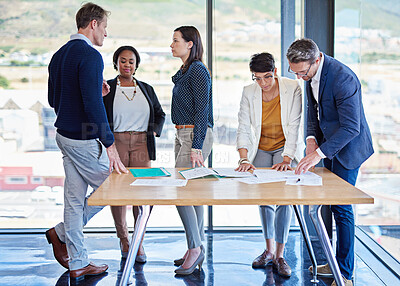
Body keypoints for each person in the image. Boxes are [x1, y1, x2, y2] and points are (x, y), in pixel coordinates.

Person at [46, 2, 128, 282]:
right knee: (114, 188)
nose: (105, 34)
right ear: (93, 24)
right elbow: (93, 107)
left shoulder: (58, 55)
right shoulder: (91, 56)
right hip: (83, 139)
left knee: (73, 199)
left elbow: (53, 100)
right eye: (104, 27)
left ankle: (78, 262)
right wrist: (110, 144)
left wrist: (94, 89)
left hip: (63, 136)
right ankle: (59, 232)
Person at [286, 38, 374, 286]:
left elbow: (351, 127)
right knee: (329, 205)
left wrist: (318, 154)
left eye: (303, 72)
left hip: (348, 149)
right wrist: (311, 140)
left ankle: (345, 273)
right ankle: (335, 261)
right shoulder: (307, 73)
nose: (300, 77)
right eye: (296, 73)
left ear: (317, 59)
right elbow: (314, 111)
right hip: (326, 147)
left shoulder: (343, 78)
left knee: (342, 208)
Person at [235, 52, 304, 278]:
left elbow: (294, 125)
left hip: (285, 148)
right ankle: (269, 249)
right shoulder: (249, 91)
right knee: (264, 196)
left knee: (284, 198)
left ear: (274, 72)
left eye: (266, 77)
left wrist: (287, 159)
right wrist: (244, 158)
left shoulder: (292, 87)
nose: (262, 83)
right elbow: (243, 126)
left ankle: (280, 255)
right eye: (257, 78)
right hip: (261, 147)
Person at [103, 45, 165, 262]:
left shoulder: (146, 88)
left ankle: (139, 240)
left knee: (142, 193)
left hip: (141, 143)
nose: (127, 64)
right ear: (115, 63)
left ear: (136, 65)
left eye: (131, 61)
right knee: (118, 193)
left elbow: (160, 113)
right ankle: (124, 239)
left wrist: (155, 131)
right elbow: (98, 113)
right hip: (116, 142)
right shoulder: (107, 88)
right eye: (122, 60)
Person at [170, 25, 213, 275]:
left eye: (176, 40)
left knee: (181, 192)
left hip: (194, 134)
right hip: (183, 132)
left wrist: (196, 145)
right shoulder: (186, 70)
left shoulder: (197, 69)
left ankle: (195, 248)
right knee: (191, 192)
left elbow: (202, 109)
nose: (171, 45)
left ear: (190, 44)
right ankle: (194, 247)